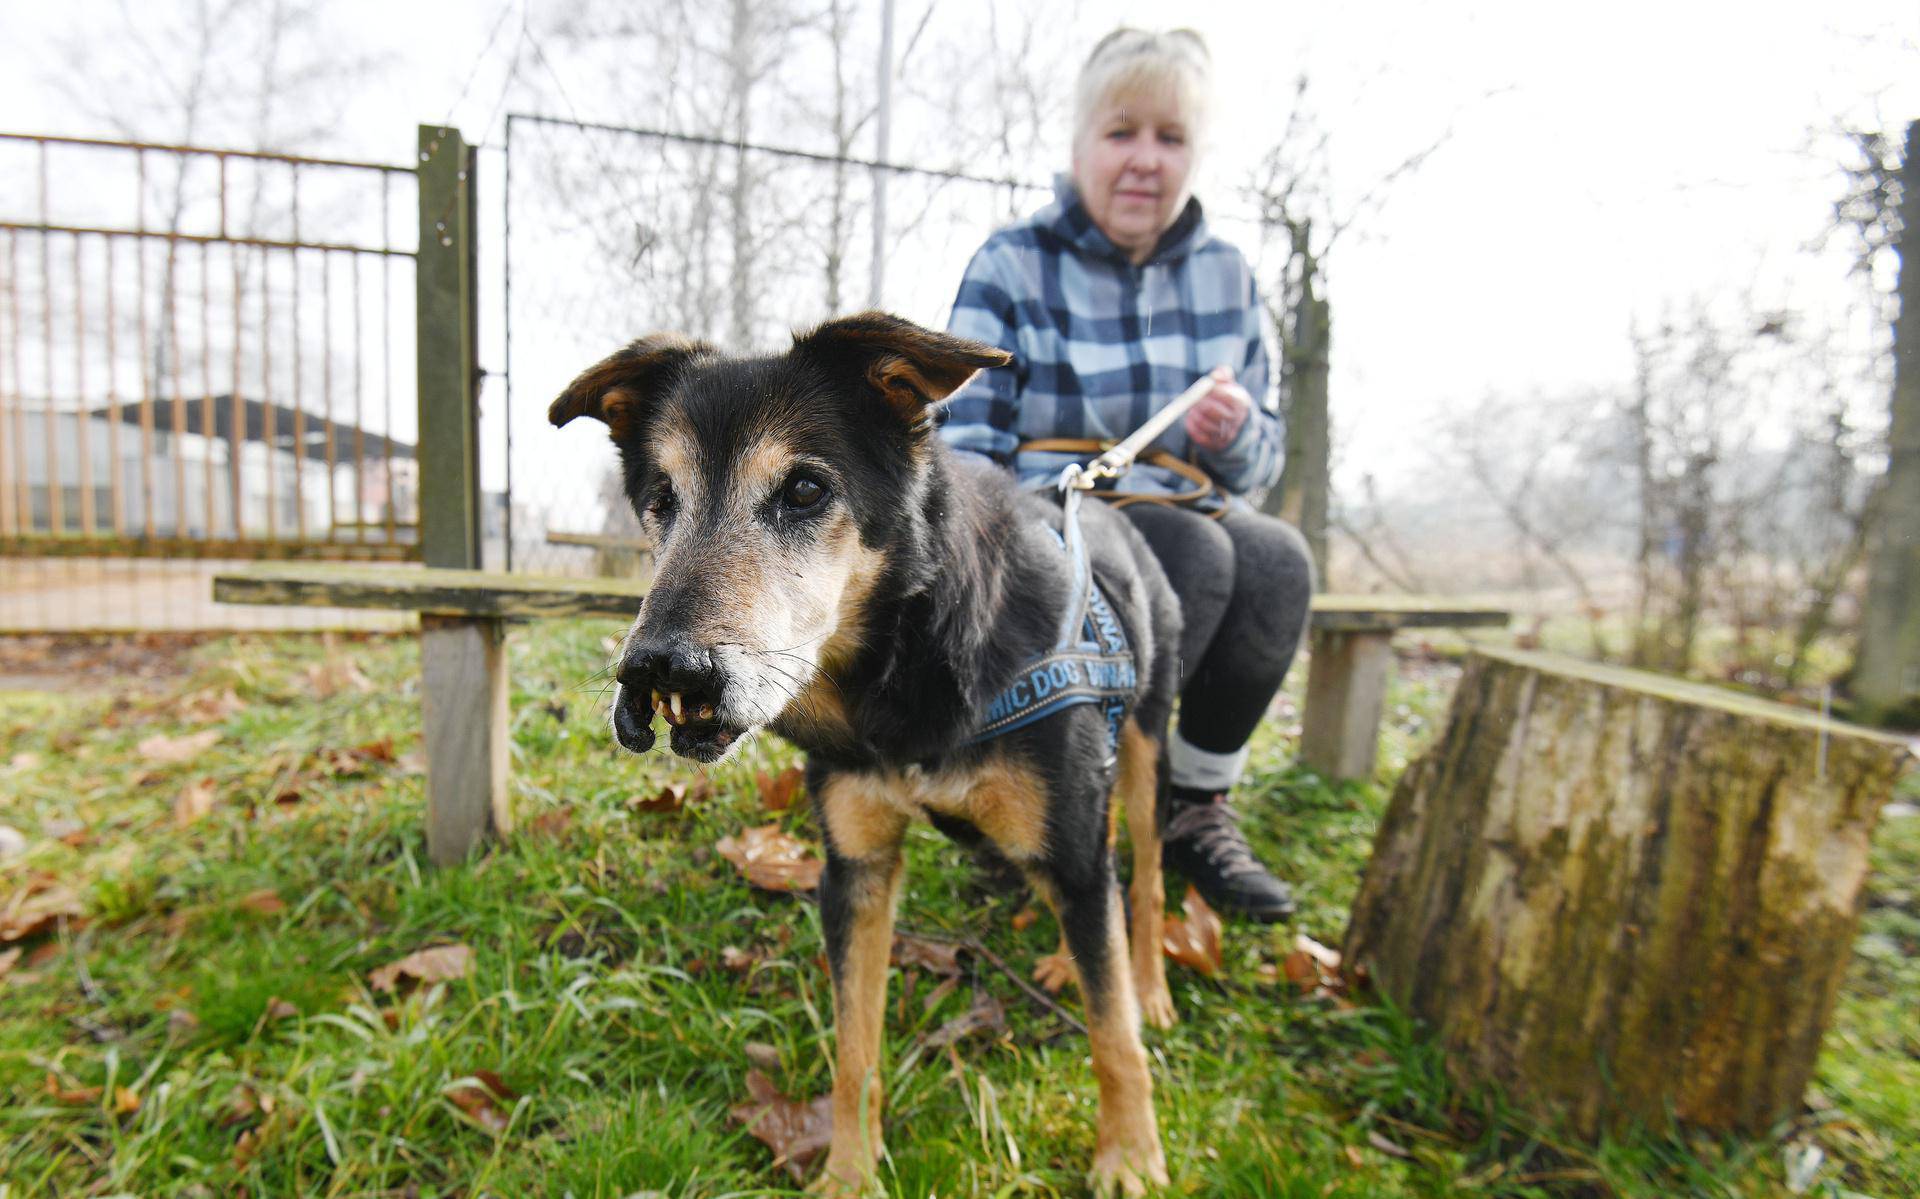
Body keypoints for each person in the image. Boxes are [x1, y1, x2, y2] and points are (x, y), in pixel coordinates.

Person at [941, 26, 1314, 922]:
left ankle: (1192, 809)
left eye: (1171, 137)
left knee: (1277, 559)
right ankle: (1067, 807)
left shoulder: (1227, 276)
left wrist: (1233, 435)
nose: (1146, 159)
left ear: (1195, 155)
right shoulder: (1011, 264)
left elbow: (1259, 461)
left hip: (1192, 497)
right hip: (1050, 522)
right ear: (1077, 149)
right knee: (1196, 554)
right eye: (1122, 133)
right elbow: (966, 448)